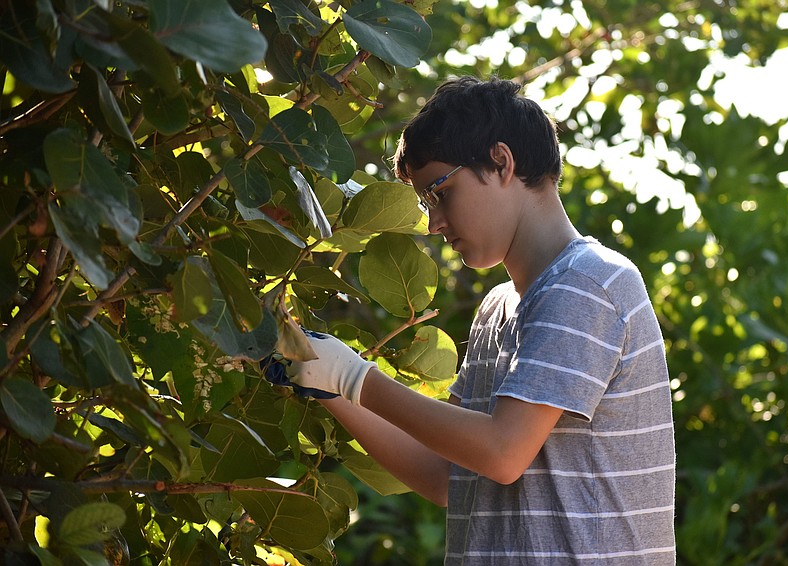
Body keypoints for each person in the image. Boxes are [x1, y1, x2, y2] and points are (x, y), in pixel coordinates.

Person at [267, 76, 676, 564]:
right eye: (425, 203)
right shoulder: (496, 310)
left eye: (439, 192)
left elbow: (503, 453)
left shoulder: (588, 283)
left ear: (501, 162)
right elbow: (446, 476)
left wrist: (354, 376)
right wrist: (327, 383)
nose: (433, 222)